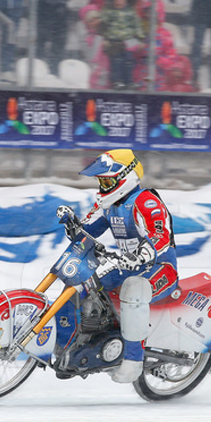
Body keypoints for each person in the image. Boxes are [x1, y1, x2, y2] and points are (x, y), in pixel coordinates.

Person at [57, 149, 177, 383]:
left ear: (126, 177)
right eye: (101, 181)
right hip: (127, 265)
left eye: (108, 180)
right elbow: (87, 232)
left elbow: (161, 234)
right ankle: (67, 348)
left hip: (159, 267)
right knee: (81, 284)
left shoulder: (145, 201)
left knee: (134, 288)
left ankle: (133, 360)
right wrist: (73, 227)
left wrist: (142, 254)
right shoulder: (109, 205)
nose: (103, 185)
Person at [100, 0, 144, 89]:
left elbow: (137, 26)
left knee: (128, 61)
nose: (118, 1)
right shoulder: (109, 11)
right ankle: (117, 81)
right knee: (116, 60)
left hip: (128, 40)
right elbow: (103, 25)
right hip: (114, 40)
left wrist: (140, 38)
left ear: (126, 1)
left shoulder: (131, 12)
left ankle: (129, 81)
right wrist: (105, 38)